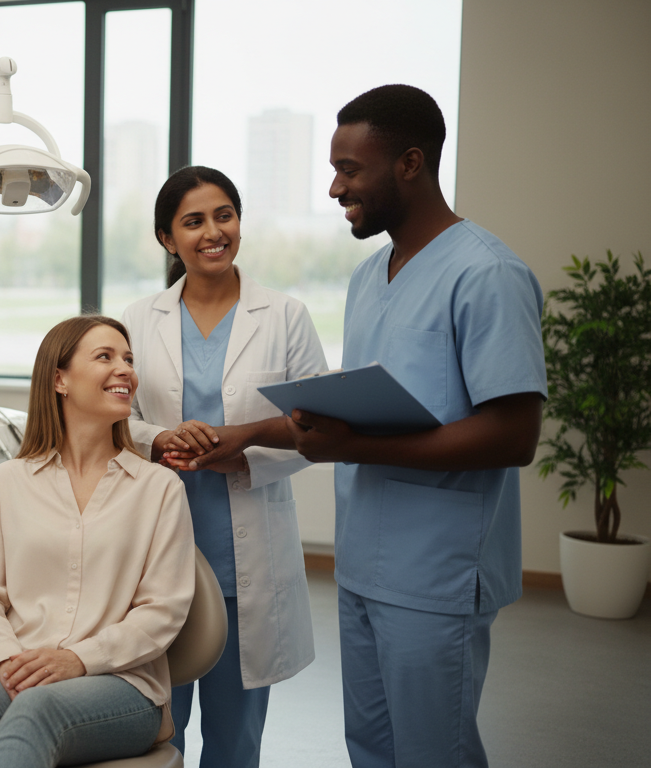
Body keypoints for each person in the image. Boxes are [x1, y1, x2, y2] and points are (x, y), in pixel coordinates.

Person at [290, 85, 546, 767]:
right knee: (371, 748)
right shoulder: (370, 276)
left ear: (410, 164)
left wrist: (355, 444)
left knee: (435, 754)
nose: (335, 186)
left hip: (437, 570)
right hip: (364, 559)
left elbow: (514, 435)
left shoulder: (487, 273)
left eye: (350, 169)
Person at [0, 315, 196, 768]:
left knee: (36, 710)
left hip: (120, 686)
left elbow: (163, 611)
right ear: (60, 379)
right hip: (8, 666)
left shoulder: (160, 488)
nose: (125, 369)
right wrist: (12, 662)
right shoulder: (6, 483)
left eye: (128, 359)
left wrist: (76, 659)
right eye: (105, 357)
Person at [120, 166, 327, 768]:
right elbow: (115, 416)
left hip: (246, 563)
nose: (212, 232)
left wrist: (245, 454)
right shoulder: (139, 318)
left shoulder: (284, 315)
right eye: (193, 222)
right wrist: (157, 441)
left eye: (224, 216)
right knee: (158, 727)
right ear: (167, 239)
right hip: (159, 556)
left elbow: (318, 428)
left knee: (236, 741)